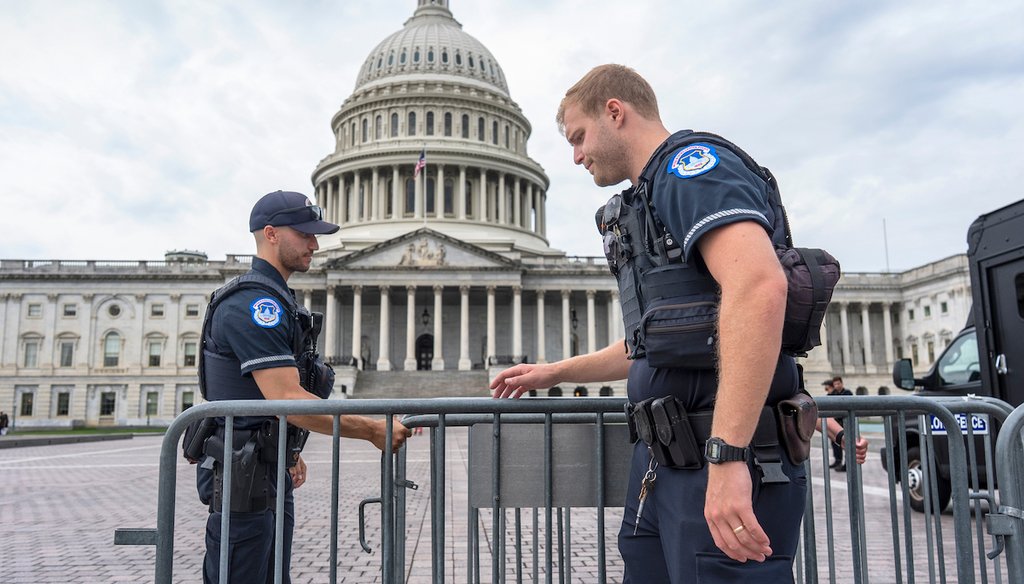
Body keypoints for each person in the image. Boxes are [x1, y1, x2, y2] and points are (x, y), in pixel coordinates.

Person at [492, 64, 811, 581]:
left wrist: (728, 456)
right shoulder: (648, 199)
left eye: (578, 136)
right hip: (667, 461)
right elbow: (658, 341)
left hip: (716, 454)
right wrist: (555, 373)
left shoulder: (692, 169)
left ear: (614, 112)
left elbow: (758, 287)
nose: (575, 156)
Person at [195, 190, 411, 583]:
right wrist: (371, 429)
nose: (315, 244)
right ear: (272, 234)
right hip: (243, 476)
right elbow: (288, 399)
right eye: (305, 234)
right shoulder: (255, 306)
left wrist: (287, 448)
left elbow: (267, 398)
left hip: (265, 466)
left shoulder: (277, 301)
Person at [827, 376, 854, 472]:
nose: (837, 386)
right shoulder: (832, 394)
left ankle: (848, 464)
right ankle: (838, 461)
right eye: (835, 384)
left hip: (846, 423)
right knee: (835, 443)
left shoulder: (847, 393)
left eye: (838, 383)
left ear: (842, 383)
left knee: (847, 443)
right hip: (836, 423)